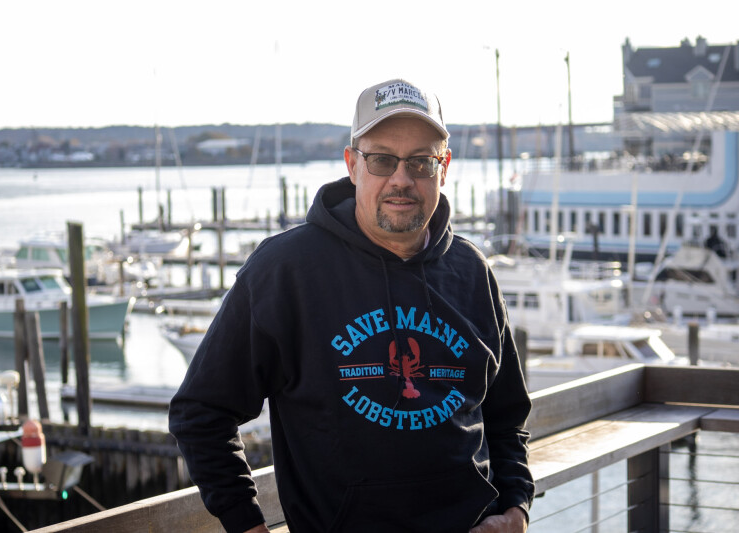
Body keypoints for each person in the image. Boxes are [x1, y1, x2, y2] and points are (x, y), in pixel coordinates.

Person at [169, 78, 534, 533]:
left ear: (444, 169)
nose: (402, 179)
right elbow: (200, 412)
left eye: (421, 162)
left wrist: (517, 508)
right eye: (382, 159)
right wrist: (247, 524)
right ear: (352, 165)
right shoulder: (286, 270)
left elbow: (507, 414)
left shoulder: (472, 271)